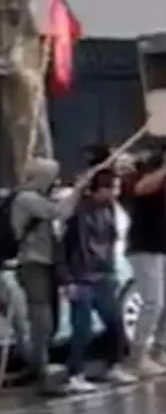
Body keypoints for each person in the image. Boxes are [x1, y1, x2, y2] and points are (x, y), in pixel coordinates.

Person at [11, 157, 89, 396]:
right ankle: (41, 374)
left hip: (47, 264)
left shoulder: (36, 198)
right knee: (41, 319)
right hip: (33, 264)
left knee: (49, 320)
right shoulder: (26, 199)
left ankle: (39, 367)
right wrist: (78, 189)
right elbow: (58, 212)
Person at [60, 169, 137, 392]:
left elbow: (115, 237)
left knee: (114, 322)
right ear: (98, 189)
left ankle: (113, 365)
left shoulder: (111, 210)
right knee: (81, 328)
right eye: (110, 189)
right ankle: (75, 373)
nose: (114, 193)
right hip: (81, 275)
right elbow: (65, 244)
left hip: (104, 272)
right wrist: (67, 279)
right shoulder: (78, 211)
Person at [120, 138, 166, 377]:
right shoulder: (148, 177)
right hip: (147, 246)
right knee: (153, 302)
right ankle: (137, 355)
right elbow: (141, 189)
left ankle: (159, 349)